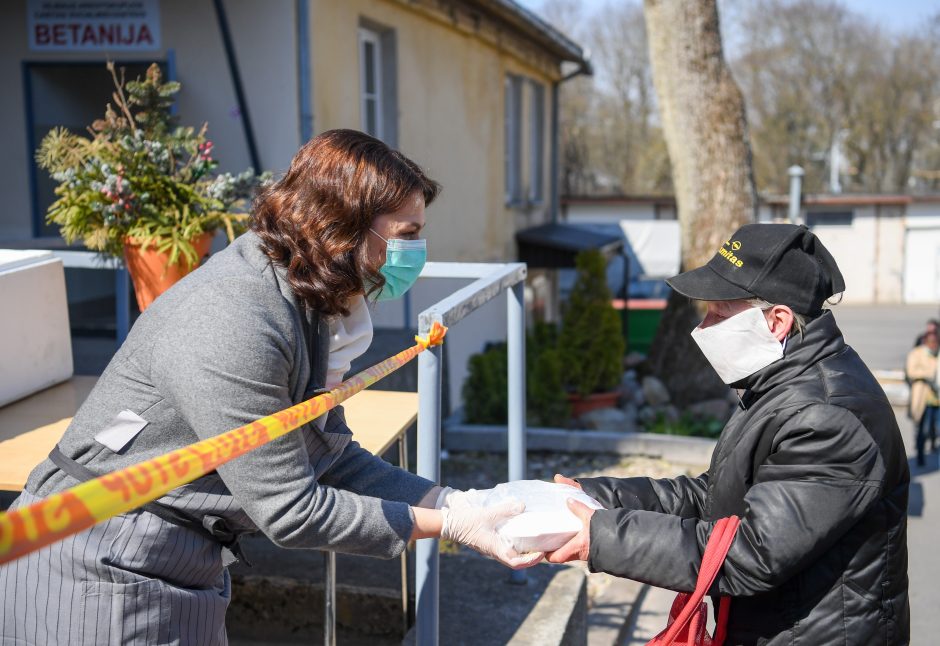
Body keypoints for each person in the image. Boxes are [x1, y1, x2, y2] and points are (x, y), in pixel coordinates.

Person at [0, 130, 540, 645]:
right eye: (406, 236)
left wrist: (455, 499)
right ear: (340, 227)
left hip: (169, 562)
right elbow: (291, 508)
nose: (417, 252)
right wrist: (451, 525)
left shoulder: (310, 300)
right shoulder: (235, 319)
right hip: (99, 567)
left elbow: (329, 457)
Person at [549, 223, 910, 644]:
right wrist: (590, 497)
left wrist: (601, 536)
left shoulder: (827, 416)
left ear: (777, 321)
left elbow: (750, 552)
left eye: (720, 313)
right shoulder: (783, 386)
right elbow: (716, 497)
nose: (703, 327)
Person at [906, 330, 939, 466]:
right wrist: (928, 374)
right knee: (923, 430)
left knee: (936, 428)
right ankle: (920, 456)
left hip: (937, 400)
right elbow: (911, 371)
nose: (933, 345)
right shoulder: (917, 353)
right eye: (930, 342)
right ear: (925, 342)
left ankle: (933, 445)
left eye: (935, 342)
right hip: (923, 399)